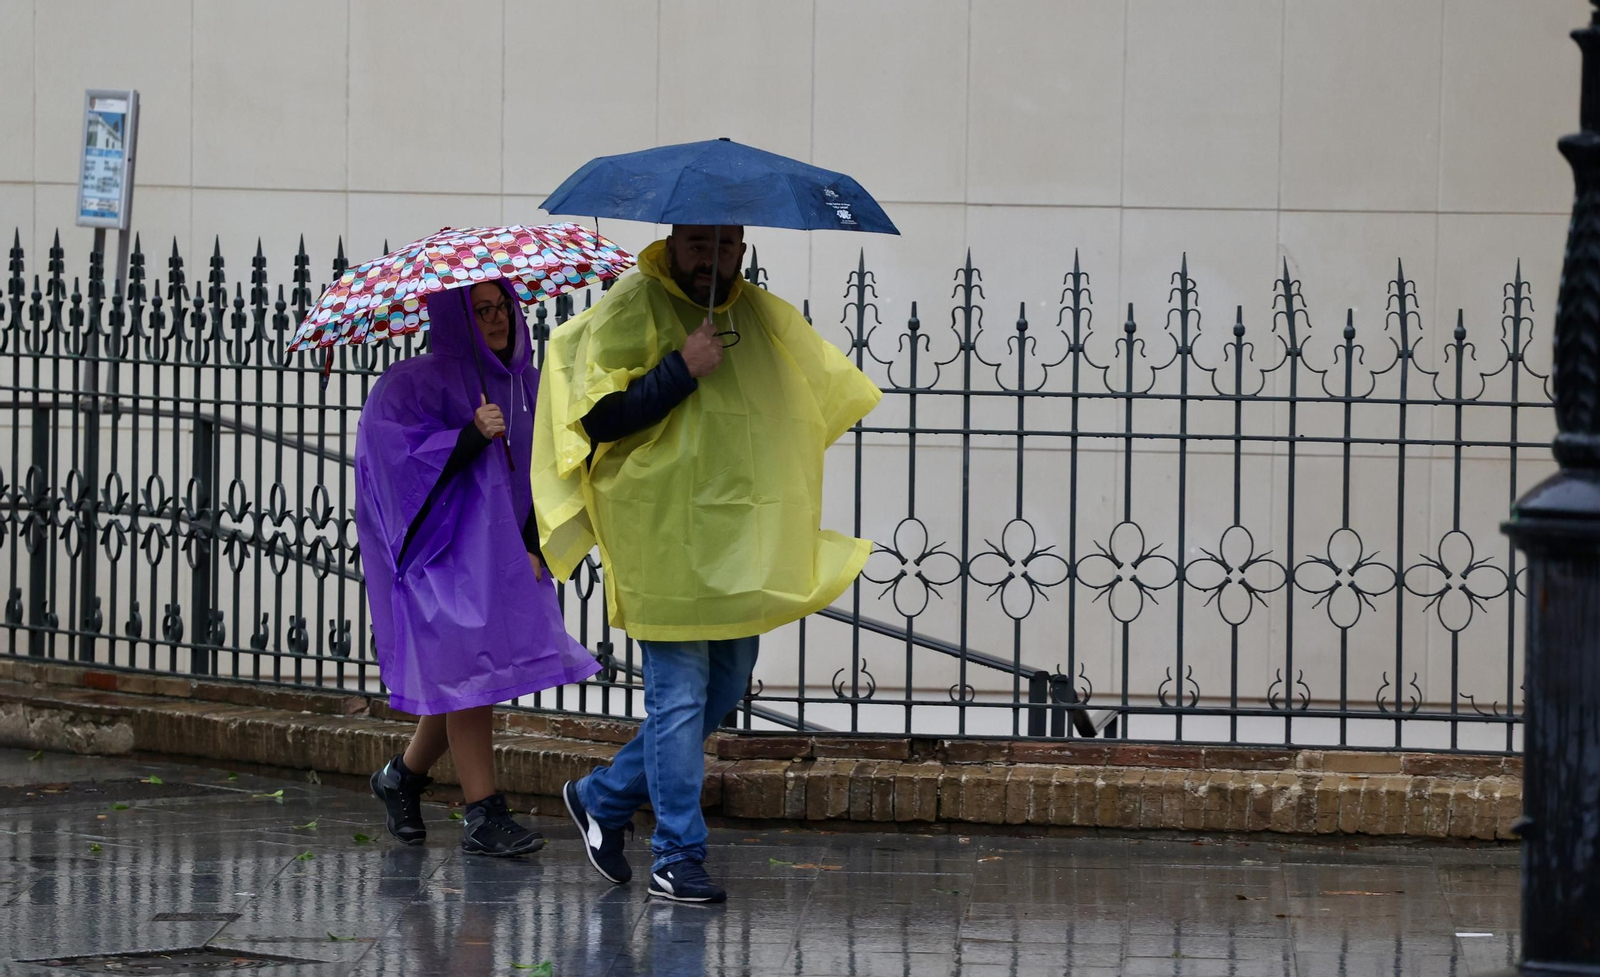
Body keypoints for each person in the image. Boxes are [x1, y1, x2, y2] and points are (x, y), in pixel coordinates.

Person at [531, 225, 881, 902]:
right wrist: (679, 369)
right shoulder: (633, 303)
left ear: (741, 251)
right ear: (673, 240)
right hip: (661, 535)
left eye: (724, 246)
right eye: (698, 243)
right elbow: (595, 418)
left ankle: (603, 796)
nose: (710, 258)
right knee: (680, 695)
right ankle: (676, 853)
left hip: (730, 540)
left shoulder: (754, 314)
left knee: (723, 685)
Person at [355, 279, 600, 856]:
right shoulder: (410, 385)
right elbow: (393, 468)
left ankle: (402, 778)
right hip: (442, 560)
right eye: (480, 310)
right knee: (471, 675)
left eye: (502, 307)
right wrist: (467, 435)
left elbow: (553, 471)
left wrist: (535, 545)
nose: (496, 320)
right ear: (456, 318)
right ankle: (483, 813)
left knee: (468, 680)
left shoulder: (529, 386)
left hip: (506, 559)